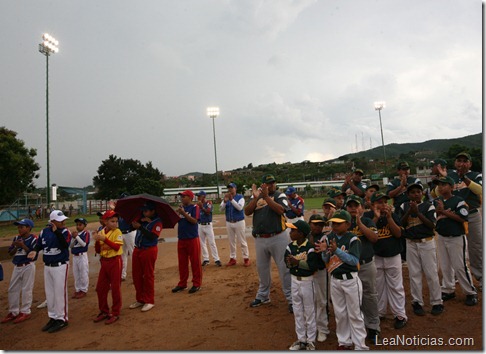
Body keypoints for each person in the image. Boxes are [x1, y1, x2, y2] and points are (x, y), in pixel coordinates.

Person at [315, 210, 368, 350]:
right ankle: (344, 342)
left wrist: (337, 250)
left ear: (348, 224)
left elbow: (353, 261)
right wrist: (324, 252)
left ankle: (360, 346)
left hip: (350, 280)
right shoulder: (328, 238)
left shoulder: (353, 239)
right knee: (340, 314)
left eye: (339, 223)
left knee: (355, 314)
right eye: (333, 223)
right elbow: (326, 260)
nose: (335, 226)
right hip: (335, 280)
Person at [434, 152, 482, 290]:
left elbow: (479, 190)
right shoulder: (450, 176)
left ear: (470, 164)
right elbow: (437, 193)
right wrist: (444, 179)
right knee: (452, 247)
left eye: (465, 161)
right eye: (459, 160)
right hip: (452, 217)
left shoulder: (476, 176)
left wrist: (464, 178)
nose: (462, 163)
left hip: (472, 215)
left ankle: (481, 278)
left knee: (476, 248)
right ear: (455, 163)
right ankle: (454, 277)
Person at [245, 174, 293, 313]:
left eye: (273, 183)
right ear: (263, 185)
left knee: (284, 268)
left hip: (278, 236)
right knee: (262, 268)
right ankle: (263, 295)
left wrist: (266, 197)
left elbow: (281, 210)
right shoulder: (257, 197)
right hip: (260, 238)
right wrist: (256, 198)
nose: (271, 185)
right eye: (268, 183)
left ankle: (290, 298)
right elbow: (247, 211)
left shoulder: (280, 195)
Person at [432, 176, 478, 306]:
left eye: (444, 184)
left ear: (451, 187)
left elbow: (463, 218)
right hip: (442, 236)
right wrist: (437, 212)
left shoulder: (458, 201)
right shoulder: (437, 201)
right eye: (439, 185)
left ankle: (470, 292)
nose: (441, 187)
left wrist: (444, 212)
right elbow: (433, 217)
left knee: (460, 266)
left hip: (456, 237)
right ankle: (448, 289)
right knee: (445, 266)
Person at [399, 183, 443, 316]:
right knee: (414, 274)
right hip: (411, 243)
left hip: (426, 242)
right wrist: (409, 211)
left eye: (418, 191)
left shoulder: (428, 206)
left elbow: (432, 225)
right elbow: (400, 223)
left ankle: (437, 302)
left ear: (422, 194)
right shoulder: (403, 206)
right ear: (408, 195)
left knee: (431, 273)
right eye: (412, 192)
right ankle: (417, 302)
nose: (416, 194)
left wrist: (417, 212)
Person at [365, 192, 407, 329]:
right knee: (378, 286)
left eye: (384, 202)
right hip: (376, 256)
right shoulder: (368, 218)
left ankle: (400, 314)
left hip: (393, 255)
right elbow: (368, 235)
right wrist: (376, 218)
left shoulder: (393, 216)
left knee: (396, 286)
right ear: (372, 204)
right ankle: (380, 312)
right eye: (379, 202)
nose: (383, 205)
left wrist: (389, 218)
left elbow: (398, 233)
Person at [27, 210, 71, 333]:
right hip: (48, 266)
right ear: (52, 221)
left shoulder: (64, 231)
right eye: (60, 220)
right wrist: (35, 250)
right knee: (50, 293)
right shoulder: (44, 232)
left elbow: (65, 245)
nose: (63, 221)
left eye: (63, 219)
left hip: (60, 265)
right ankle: (53, 317)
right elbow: (39, 244)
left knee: (59, 293)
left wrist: (56, 232)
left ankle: (62, 319)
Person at [345, 195, 381, 344]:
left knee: (369, 295)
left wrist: (359, 222)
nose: (353, 208)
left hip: (366, 264)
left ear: (361, 208)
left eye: (356, 205)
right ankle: (354, 328)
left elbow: (374, 238)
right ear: (346, 208)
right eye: (350, 206)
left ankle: (373, 327)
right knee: (351, 298)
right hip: (349, 266)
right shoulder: (343, 223)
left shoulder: (367, 221)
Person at [285, 220, 319, 351]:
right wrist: (294, 263)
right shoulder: (290, 247)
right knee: (297, 311)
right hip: (294, 281)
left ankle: (311, 340)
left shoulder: (309, 247)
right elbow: (287, 262)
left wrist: (297, 263)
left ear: (300, 233)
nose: (291, 232)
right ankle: (301, 339)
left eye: (293, 230)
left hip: (307, 281)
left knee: (309, 311)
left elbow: (312, 266)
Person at [1, 219, 38, 324]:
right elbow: (10, 253)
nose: (19, 229)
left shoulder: (33, 238)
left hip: (28, 265)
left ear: (29, 228)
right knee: (12, 289)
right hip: (17, 266)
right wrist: (16, 246)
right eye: (18, 227)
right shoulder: (17, 238)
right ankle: (13, 311)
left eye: (22, 227)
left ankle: (25, 311)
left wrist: (23, 246)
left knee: (26, 288)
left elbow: (33, 254)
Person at [129, 201, 163, 312]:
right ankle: (140, 299)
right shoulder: (142, 219)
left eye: (146, 210)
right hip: (138, 249)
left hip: (148, 250)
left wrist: (141, 227)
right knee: (136, 275)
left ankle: (149, 300)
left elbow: (153, 236)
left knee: (148, 275)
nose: (144, 212)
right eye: (143, 210)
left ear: (153, 211)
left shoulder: (157, 222)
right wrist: (137, 223)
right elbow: (131, 228)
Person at [92, 210, 124, 324]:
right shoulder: (102, 231)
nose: (115, 223)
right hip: (104, 262)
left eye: (116, 221)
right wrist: (96, 239)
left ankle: (115, 312)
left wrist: (104, 239)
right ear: (105, 222)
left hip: (115, 261)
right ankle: (104, 311)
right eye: (112, 221)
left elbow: (116, 247)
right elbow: (97, 250)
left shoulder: (117, 231)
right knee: (100, 288)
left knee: (115, 288)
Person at [172, 190, 202, 294]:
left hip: (192, 238)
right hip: (182, 238)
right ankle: (182, 283)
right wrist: (176, 214)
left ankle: (197, 283)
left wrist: (183, 213)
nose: (182, 198)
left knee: (195, 262)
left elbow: (194, 221)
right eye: (181, 196)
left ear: (190, 197)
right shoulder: (181, 208)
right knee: (182, 263)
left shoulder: (195, 208)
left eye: (184, 196)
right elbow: (176, 221)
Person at [308, 214, 330, 343]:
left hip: (321, 272)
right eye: (315, 224)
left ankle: (322, 328)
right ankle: (311, 327)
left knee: (321, 300)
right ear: (309, 223)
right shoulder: (304, 235)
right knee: (309, 300)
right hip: (307, 273)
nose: (317, 226)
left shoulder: (324, 237)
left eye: (320, 224)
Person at [220, 183, 250, 266]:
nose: (230, 189)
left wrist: (231, 200)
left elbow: (240, 208)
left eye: (232, 188)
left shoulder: (240, 197)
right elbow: (221, 209)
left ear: (235, 189)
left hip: (239, 222)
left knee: (242, 241)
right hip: (229, 222)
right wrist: (225, 202)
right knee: (231, 241)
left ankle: (246, 258)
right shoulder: (226, 198)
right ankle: (233, 258)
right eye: (229, 188)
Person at [196, 190, 221, 267]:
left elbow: (208, 212)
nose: (198, 197)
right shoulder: (198, 205)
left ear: (203, 196)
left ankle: (216, 259)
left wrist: (202, 207)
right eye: (198, 196)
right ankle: (206, 259)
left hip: (208, 225)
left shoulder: (209, 203)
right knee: (202, 243)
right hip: (200, 225)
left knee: (212, 242)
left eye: (199, 196)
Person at [71, 218, 90, 299]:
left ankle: (84, 290)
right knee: (76, 274)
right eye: (77, 225)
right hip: (75, 256)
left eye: (80, 225)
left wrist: (77, 237)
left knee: (83, 273)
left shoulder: (85, 233)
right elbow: (71, 246)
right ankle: (78, 289)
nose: (78, 226)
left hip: (82, 256)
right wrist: (73, 238)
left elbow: (83, 244)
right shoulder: (76, 234)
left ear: (84, 225)